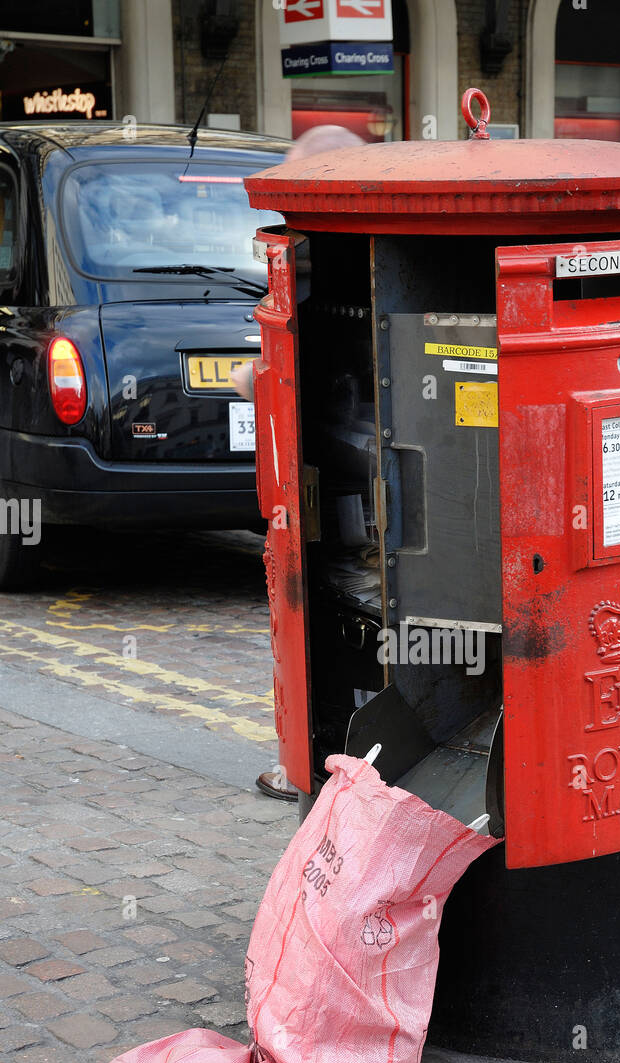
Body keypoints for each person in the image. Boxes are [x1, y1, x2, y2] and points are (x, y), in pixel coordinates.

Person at [237, 125, 366, 802]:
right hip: (340, 503)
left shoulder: (320, 269)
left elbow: (262, 378)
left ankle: (317, 761)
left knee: (339, 628)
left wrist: (252, 375)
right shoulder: (348, 267)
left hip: (335, 507)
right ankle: (326, 754)